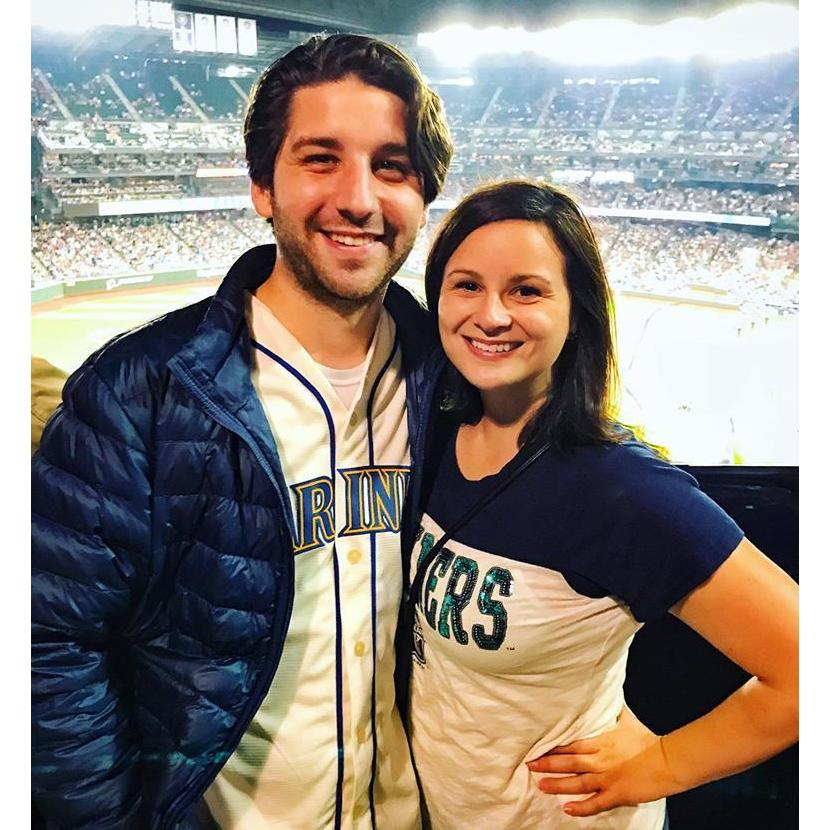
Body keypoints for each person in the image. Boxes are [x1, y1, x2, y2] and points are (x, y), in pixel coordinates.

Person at [32, 34, 452, 829]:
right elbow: (45, 642)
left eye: (391, 166)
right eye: (320, 159)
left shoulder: (451, 382)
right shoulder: (138, 393)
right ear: (263, 186)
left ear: (423, 194)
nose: (359, 198)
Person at [407, 180, 798, 829]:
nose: (492, 314)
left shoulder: (621, 488)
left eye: (526, 290)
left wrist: (660, 767)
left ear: (577, 310)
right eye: (467, 285)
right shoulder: (434, 442)